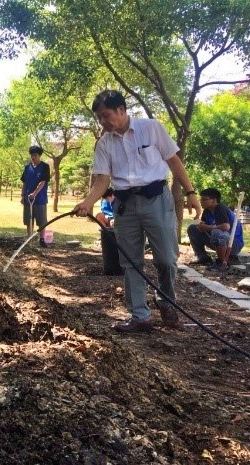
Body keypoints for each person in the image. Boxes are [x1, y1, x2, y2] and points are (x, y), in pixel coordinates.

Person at [75, 90, 200, 333]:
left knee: (166, 259)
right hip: (125, 206)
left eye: (106, 115)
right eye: (99, 118)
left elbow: (174, 161)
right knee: (131, 262)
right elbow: (102, 180)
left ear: (121, 110)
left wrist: (191, 192)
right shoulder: (104, 143)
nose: (103, 122)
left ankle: (166, 301)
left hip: (156, 200)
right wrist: (88, 202)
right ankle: (140, 315)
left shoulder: (151, 128)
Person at [187, 188, 243, 270]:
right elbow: (203, 225)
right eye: (200, 199)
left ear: (214, 200)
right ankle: (203, 258)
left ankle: (221, 262)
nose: (201, 202)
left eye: (204, 199)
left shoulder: (220, 208)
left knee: (216, 232)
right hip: (218, 241)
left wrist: (208, 227)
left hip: (233, 244)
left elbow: (225, 227)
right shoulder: (207, 211)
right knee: (192, 229)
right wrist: (201, 226)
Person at [21, 146, 51, 247]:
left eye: (35, 155)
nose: (33, 157)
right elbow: (24, 182)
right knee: (28, 220)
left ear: (39, 156)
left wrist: (34, 193)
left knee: (41, 220)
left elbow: (43, 182)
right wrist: (22, 195)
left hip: (40, 199)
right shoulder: (27, 168)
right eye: (32, 155)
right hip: (27, 199)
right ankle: (29, 238)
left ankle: (42, 239)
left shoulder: (44, 167)